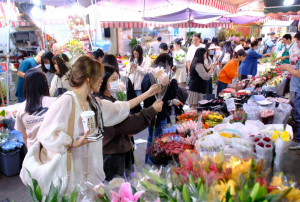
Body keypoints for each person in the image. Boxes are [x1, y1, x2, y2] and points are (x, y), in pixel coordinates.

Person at [36, 55, 159, 198]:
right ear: (89, 78)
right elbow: (46, 134)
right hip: (71, 173)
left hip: (90, 174)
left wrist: (147, 94)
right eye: (99, 76)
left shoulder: (93, 102)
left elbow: (119, 108)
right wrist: (73, 142)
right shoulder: (66, 101)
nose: (102, 80)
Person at [94, 65, 163, 181]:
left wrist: (148, 94)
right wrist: (152, 110)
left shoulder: (108, 98)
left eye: (117, 79)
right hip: (112, 154)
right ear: (102, 81)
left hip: (117, 149)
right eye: (113, 80)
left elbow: (123, 114)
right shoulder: (104, 102)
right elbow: (128, 124)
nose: (117, 82)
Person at [142, 57, 178, 164]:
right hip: (158, 114)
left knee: (151, 139)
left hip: (149, 113)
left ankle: (147, 163)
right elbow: (170, 94)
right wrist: (174, 81)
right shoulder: (158, 78)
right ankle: (151, 164)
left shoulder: (147, 76)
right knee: (156, 141)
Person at [15, 68, 55, 150]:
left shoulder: (22, 108)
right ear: (44, 83)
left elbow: (24, 136)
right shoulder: (55, 102)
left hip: (34, 153)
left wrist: (31, 153)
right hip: (54, 152)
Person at [279, 32, 300, 149]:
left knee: (297, 115)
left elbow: (299, 73)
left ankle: (298, 140)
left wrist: (287, 67)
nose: (297, 44)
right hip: (296, 88)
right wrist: (291, 67)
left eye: (297, 42)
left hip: (298, 89)